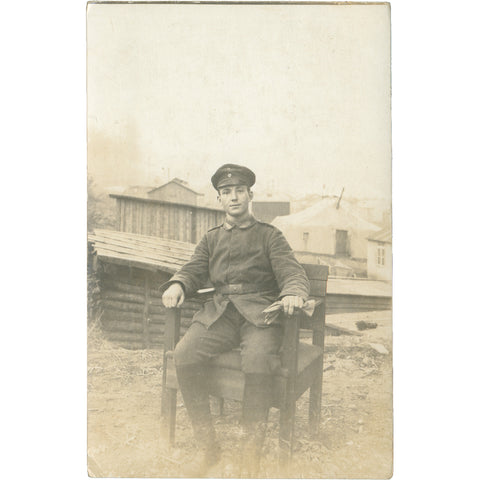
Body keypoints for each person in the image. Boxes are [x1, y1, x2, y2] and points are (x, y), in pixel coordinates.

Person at [162, 163, 310, 477]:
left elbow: (292, 273)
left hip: (259, 315)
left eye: (239, 191)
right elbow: (193, 269)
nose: (233, 197)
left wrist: (292, 293)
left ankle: (249, 453)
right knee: (184, 354)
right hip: (220, 315)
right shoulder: (211, 238)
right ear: (219, 199)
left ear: (249, 195)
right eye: (226, 192)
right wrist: (178, 283)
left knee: (257, 360)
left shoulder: (270, 236)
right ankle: (208, 448)